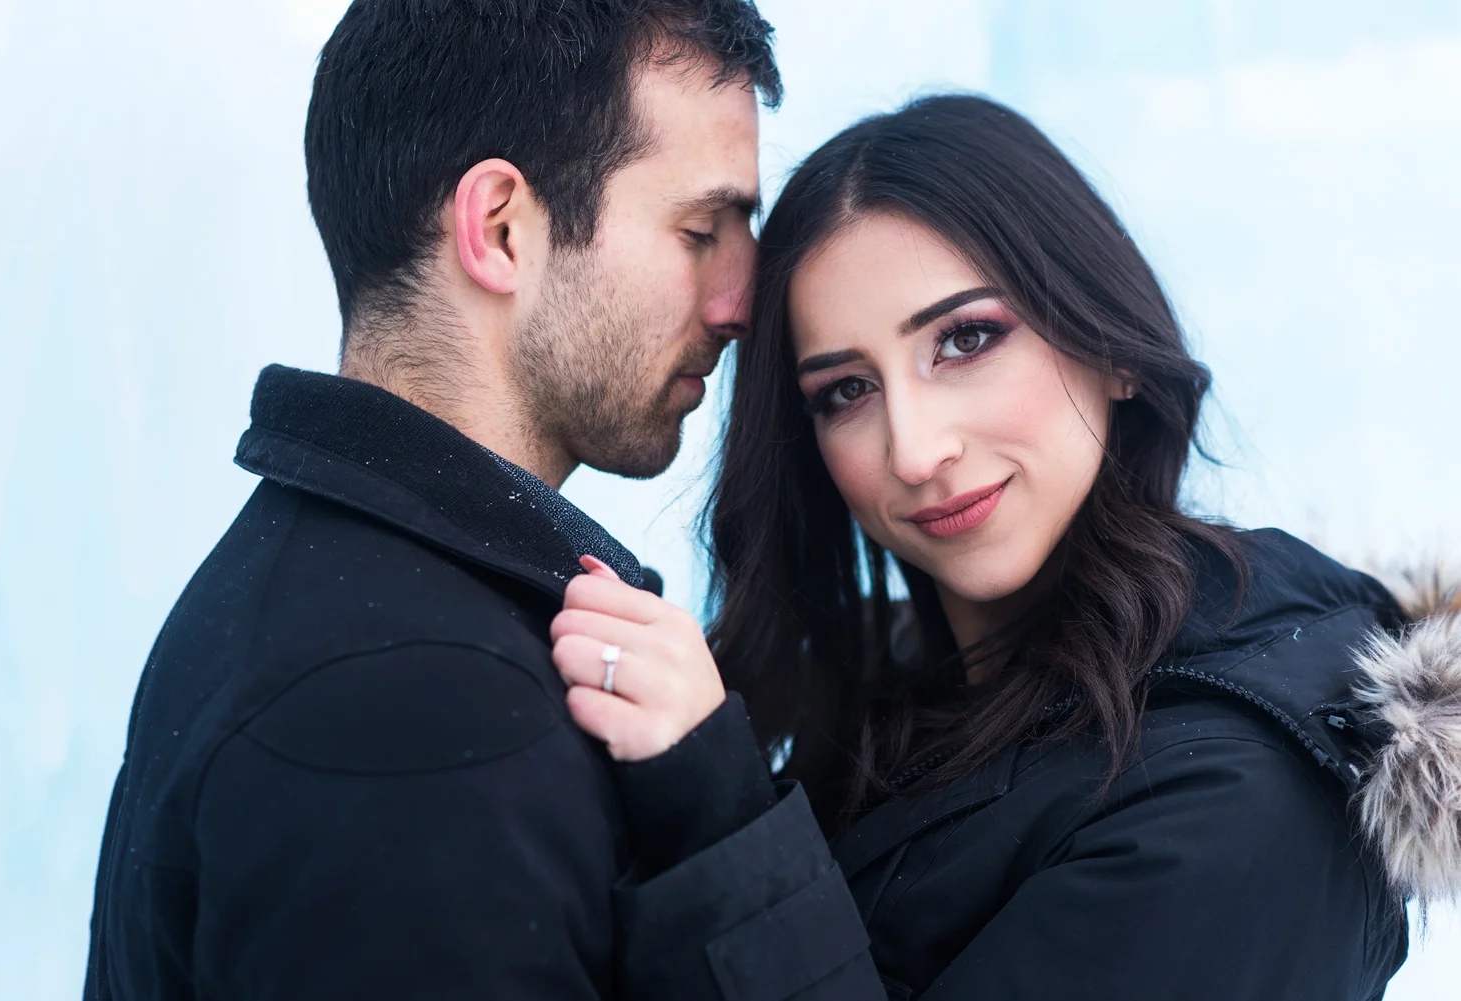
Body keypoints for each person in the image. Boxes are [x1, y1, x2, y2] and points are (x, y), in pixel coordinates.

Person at [552, 95, 1461, 999]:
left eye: (967, 339)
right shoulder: (890, 707)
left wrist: (719, 818)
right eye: (845, 392)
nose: (914, 449)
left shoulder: (1244, 802)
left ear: (1114, 349)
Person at [83, 3, 881, 998]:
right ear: (501, 228)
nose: (743, 299)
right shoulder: (417, 710)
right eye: (701, 228)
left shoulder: (303, 592)